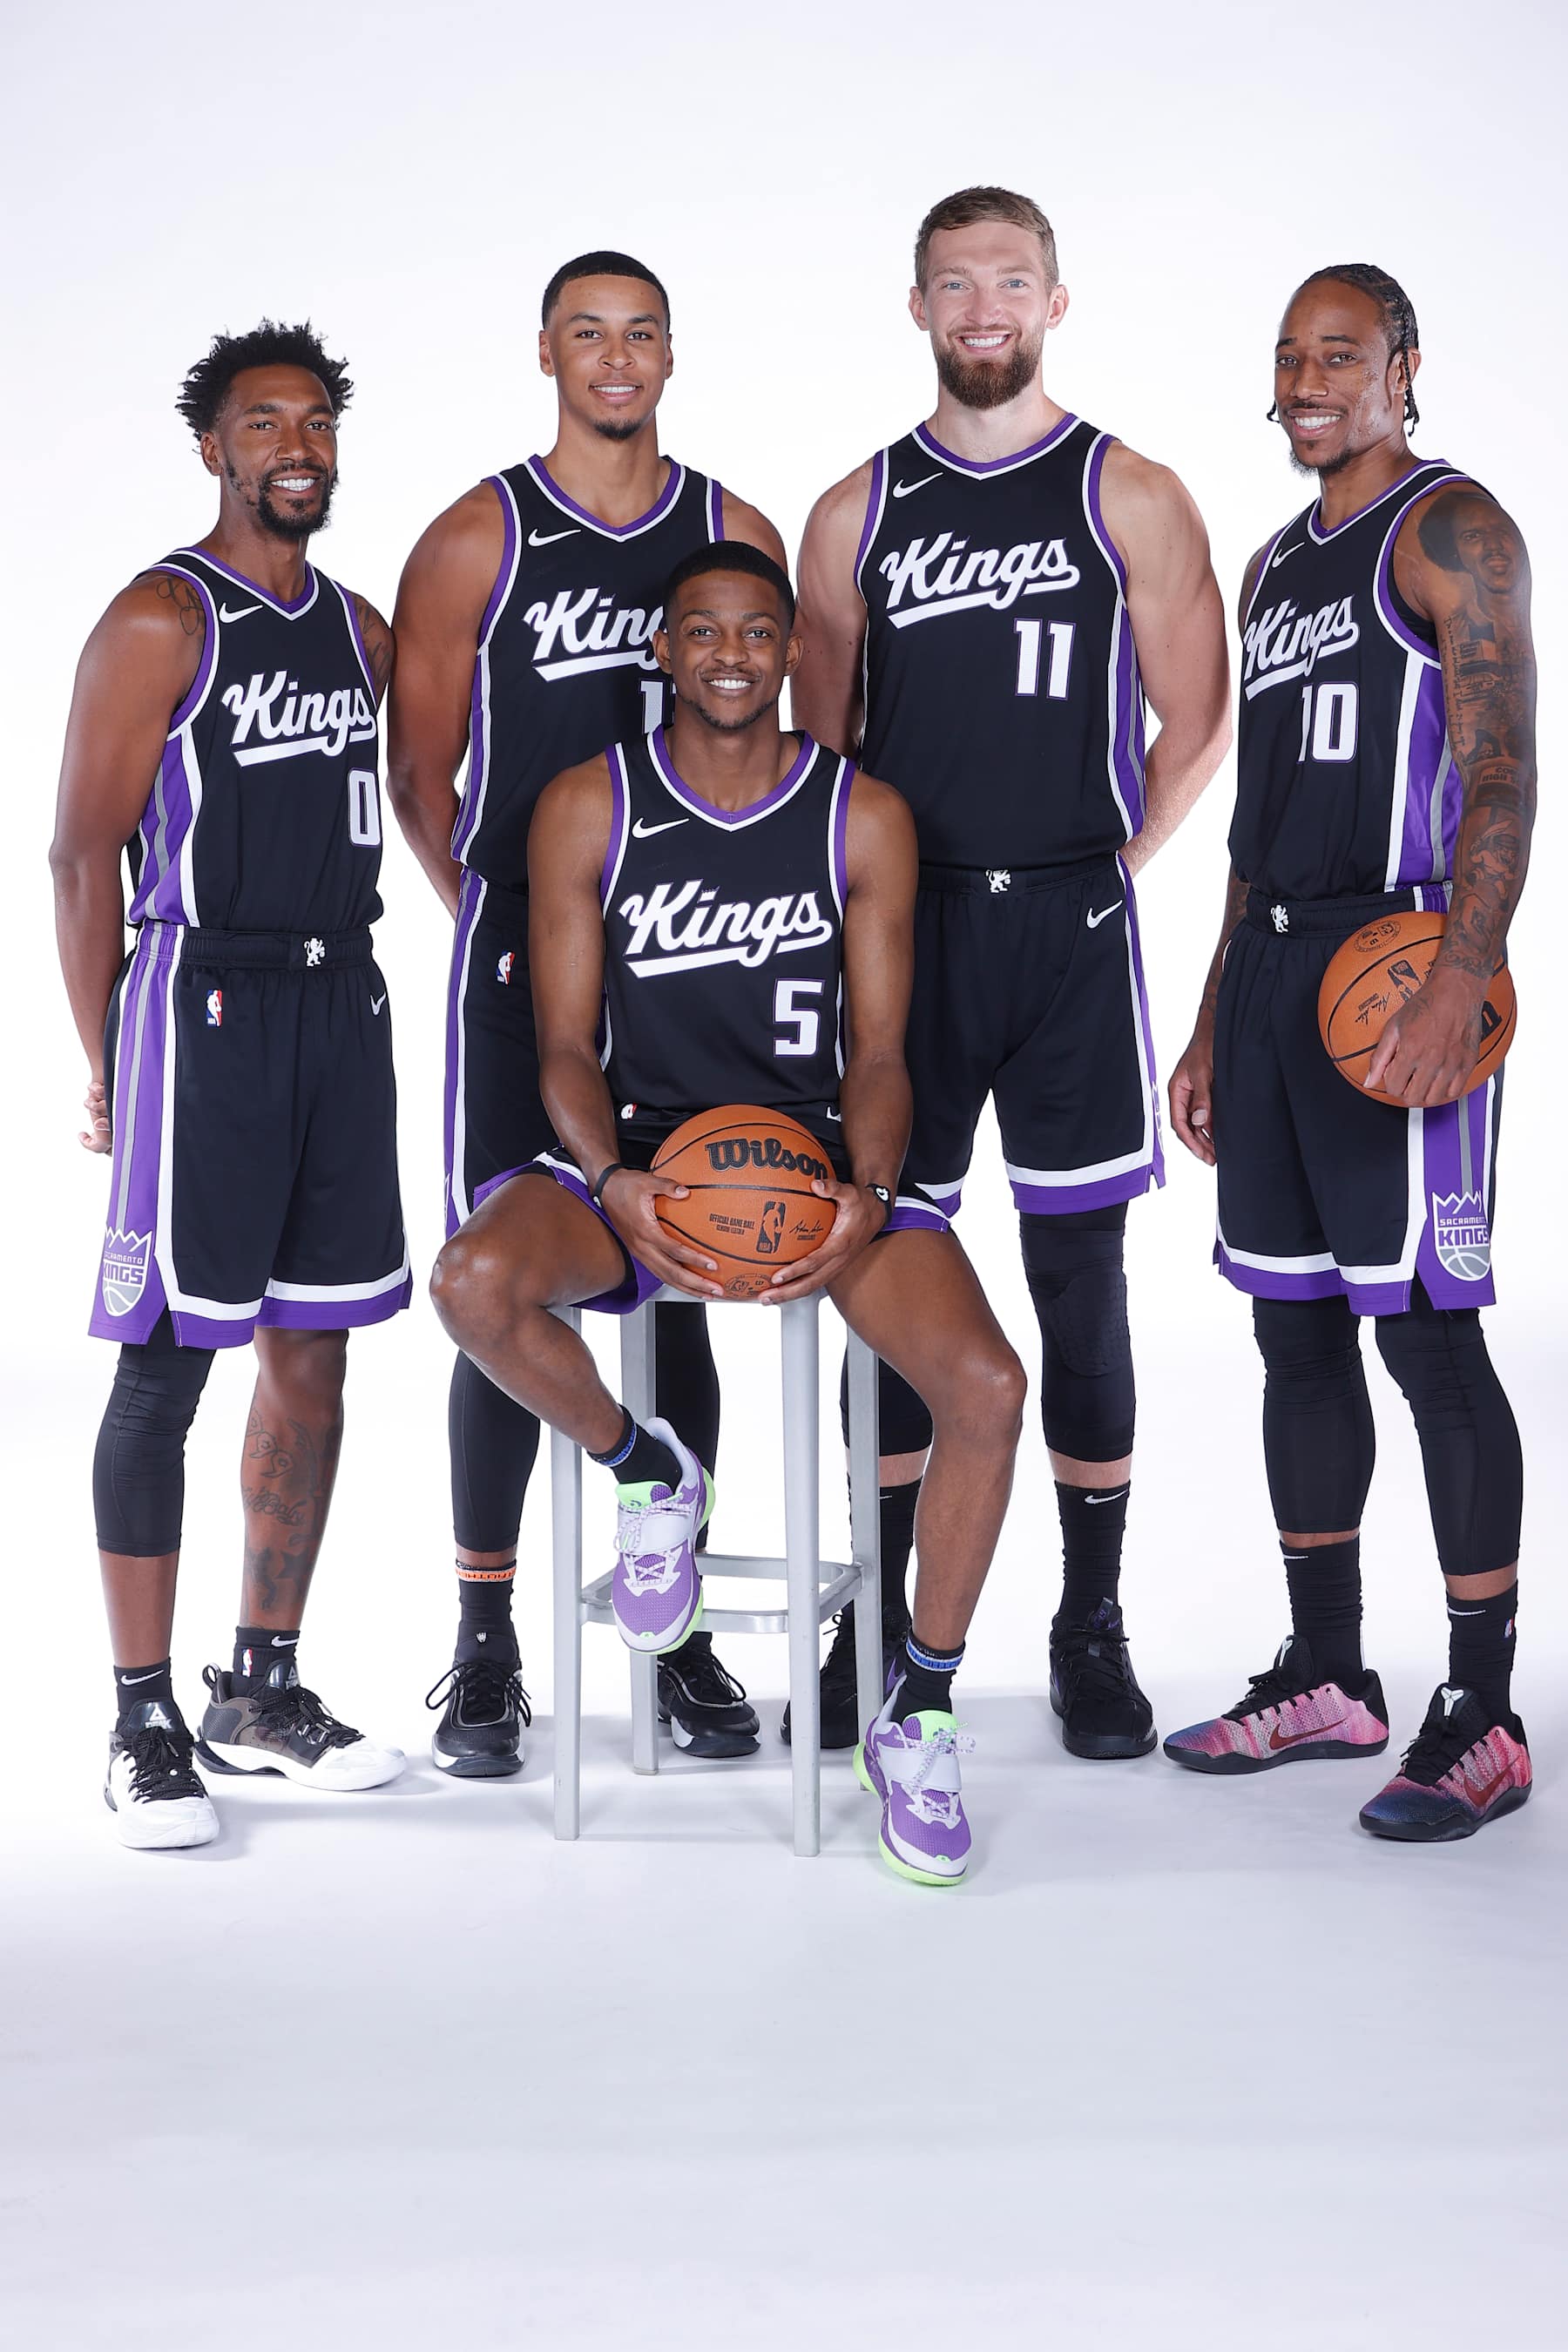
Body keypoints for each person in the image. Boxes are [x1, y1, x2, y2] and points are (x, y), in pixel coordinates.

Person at [430, 544, 1027, 1886]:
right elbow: (563, 1049)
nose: (731, 656)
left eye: (758, 632)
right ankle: (649, 1472)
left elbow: (883, 1053)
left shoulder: (860, 814)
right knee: (470, 1283)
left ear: (792, 652)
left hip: (815, 1165)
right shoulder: (590, 804)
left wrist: (869, 1194)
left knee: (988, 1388)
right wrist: (611, 1179)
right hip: (645, 1162)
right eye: (702, 631)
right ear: (663, 650)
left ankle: (920, 1706)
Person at [793, 186, 1230, 1756]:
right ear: (917, 306)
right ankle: (880, 1615)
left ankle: (1088, 1624)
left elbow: (1198, 715)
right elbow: (822, 753)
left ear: (1057, 300)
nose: (986, 308)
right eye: (956, 283)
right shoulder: (856, 509)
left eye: (1013, 280)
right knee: (888, 1266)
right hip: (909, 937)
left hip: (1067, 936)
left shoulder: (1132, 493)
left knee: (1080, 1281)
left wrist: (1117, 862)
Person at [390, 251, 787, 1773]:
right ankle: (484, 1643)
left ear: (672, 355)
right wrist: (508, 928)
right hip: (521, 961)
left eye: (640, 335)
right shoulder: (476, 537)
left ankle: (674, 1636)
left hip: (691, 954)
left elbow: (784, 754)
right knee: (501, 1282)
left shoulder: (732, 529)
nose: (615, 359)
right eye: (586, 334)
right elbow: (422, 772)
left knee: (684, 1262)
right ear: (546, 352)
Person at [1163, 265, 1535, 1842]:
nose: (1311, 380)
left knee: (1429, 1339)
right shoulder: (1271, 566)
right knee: (1295, 1332)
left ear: (1403, 367)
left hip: (1399, 968)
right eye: (1291, 356)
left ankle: (1484, 1712)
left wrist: (1468, 968)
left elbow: (1502, 769)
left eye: (1342, 354)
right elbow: (1253, 821)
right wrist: (1212, 1008)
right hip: (1273, 972)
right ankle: (1330, 1674)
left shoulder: (1455, 529)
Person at [51, 321, 408, 1849]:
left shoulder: (360, 629)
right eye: (265, 422)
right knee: (165, 1365)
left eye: (315, 421)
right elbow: (82, 855)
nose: (296, 446)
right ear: (214, 448)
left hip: (343, 1001)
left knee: (313, 1354)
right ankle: (139, 1716)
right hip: (203, 1004)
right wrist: (106, 1061)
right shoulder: (161, 617)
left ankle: (258, 1690)